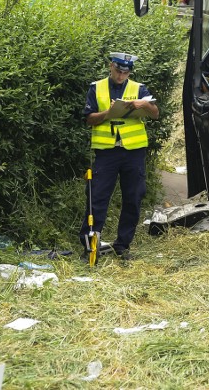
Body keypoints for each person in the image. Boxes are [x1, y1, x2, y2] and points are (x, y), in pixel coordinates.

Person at [80, 52, 159, 262]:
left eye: (126, 72)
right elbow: (88, 119)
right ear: (110, 67)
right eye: (118, 71)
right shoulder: (96, 87)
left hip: (134, 151)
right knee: (96, 199)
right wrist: (108, 113)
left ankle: (122, 246)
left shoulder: (139, 89)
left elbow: (155, 113)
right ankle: (91, 247)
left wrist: (144, 105)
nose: (121, 75)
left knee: (133, 198)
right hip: (106, 152)